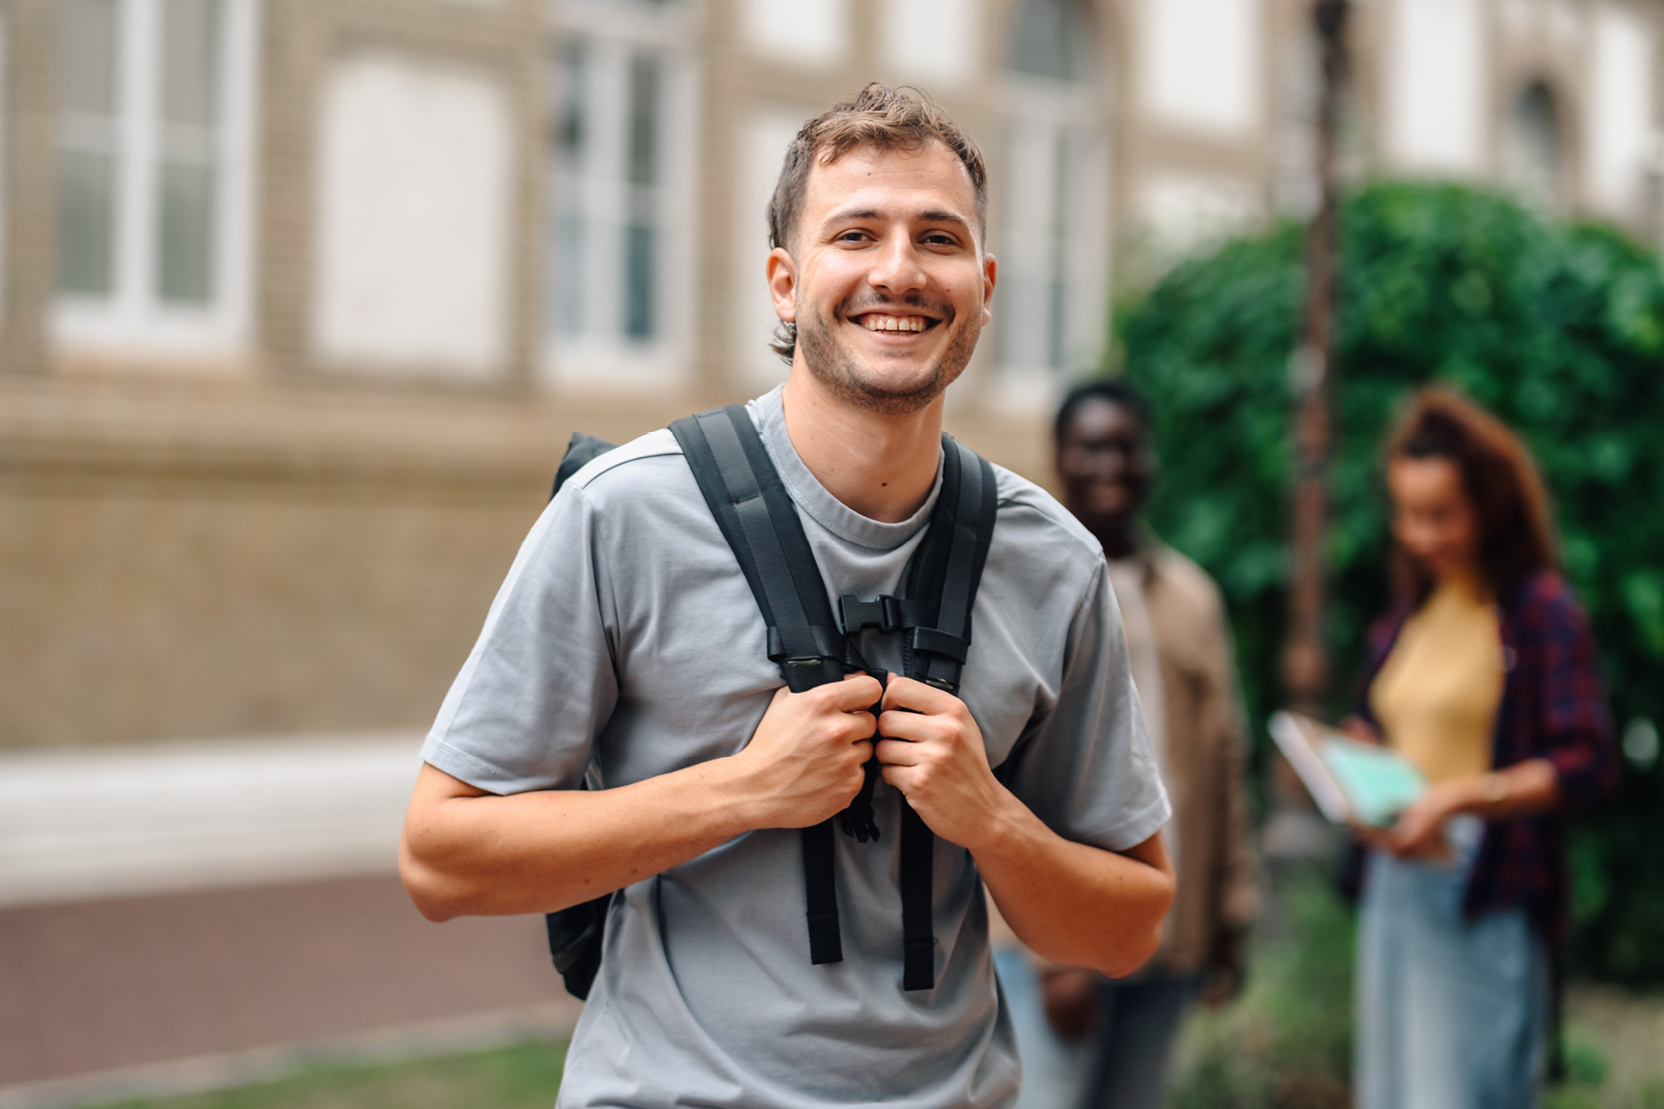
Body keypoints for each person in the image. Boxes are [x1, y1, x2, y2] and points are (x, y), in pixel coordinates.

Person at [398, 84, 1174, 1109]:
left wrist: (989, 815)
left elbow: (1123, 927)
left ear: (983, 286)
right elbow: (441, 858)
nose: (898, 270)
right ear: (783, 280)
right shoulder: (623, 513)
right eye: (855, 233)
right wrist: (743, 788)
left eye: (936, 238)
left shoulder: (1052, 562)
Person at [989, 381, 1260, 1109]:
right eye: (1090, 447)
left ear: (1149, 459)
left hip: (1171, 931)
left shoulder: (1193, 595)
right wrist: (1053, 957)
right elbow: (999, 781)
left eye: (1125, 446)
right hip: (1059, 932)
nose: (1109, 464)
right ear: (1060, 459)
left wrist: (1229, 911)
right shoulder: (1024, 586)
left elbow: (1223, 754)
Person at [1345, 387, 1617, 1109]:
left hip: (1482, 886)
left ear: (1488, 505)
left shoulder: (1539, 611)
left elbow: (1587, 760)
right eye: (1407, 512)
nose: (1421, 534)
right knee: (1392, 1092)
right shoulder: (1413, 608)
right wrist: (1356, 756)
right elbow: (1387, 722)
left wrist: (1464, 795)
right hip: (1395, 882)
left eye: (1441, 513)